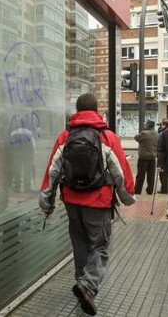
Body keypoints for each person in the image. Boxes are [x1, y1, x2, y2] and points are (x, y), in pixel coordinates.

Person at [38, 93, 135, 316]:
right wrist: (128, 196)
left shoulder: (65, 136)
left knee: (80, 245)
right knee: (99, 247)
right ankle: (88, 286)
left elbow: (52, 172)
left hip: (72, 200)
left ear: (77, 110)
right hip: (98, 201)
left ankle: (82, 284)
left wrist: (47, 202)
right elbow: (120, 172)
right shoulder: (107, 137)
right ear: (96, 110)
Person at [134, 119, 158, 195]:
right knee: (151, 175)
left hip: (143, 157)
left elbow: (136, 138)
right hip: (152, 157)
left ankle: (138, 190)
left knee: (140, 175)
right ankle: (150, 190)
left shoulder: (143, 134)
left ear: (147, 126)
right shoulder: (157, 134)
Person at [157, 118, 168, 194]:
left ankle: (164, 188)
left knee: (162, 173)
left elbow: (160, 145)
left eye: (161, 124)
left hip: (164, 156)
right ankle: (166, 187)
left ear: (164, 125)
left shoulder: (163, 133)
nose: (160, 126)